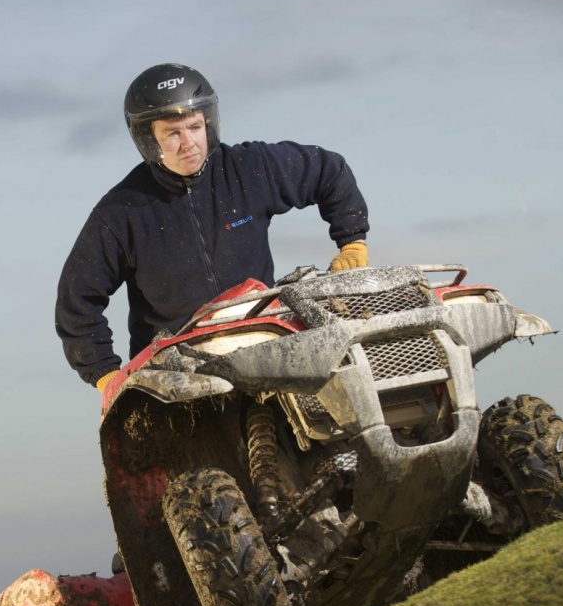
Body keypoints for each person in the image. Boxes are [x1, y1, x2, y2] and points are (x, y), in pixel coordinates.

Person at [55, 63, 370, 393]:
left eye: (194, 127)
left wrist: (352, 242)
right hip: (176, 372)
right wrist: (105, 374)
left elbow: (328, 171)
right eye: (172, 134)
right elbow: (77, 302)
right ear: (148, 139)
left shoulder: (249, 169)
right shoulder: (121, 213)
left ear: (208, 122)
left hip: (264, 346)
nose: (188, 143)